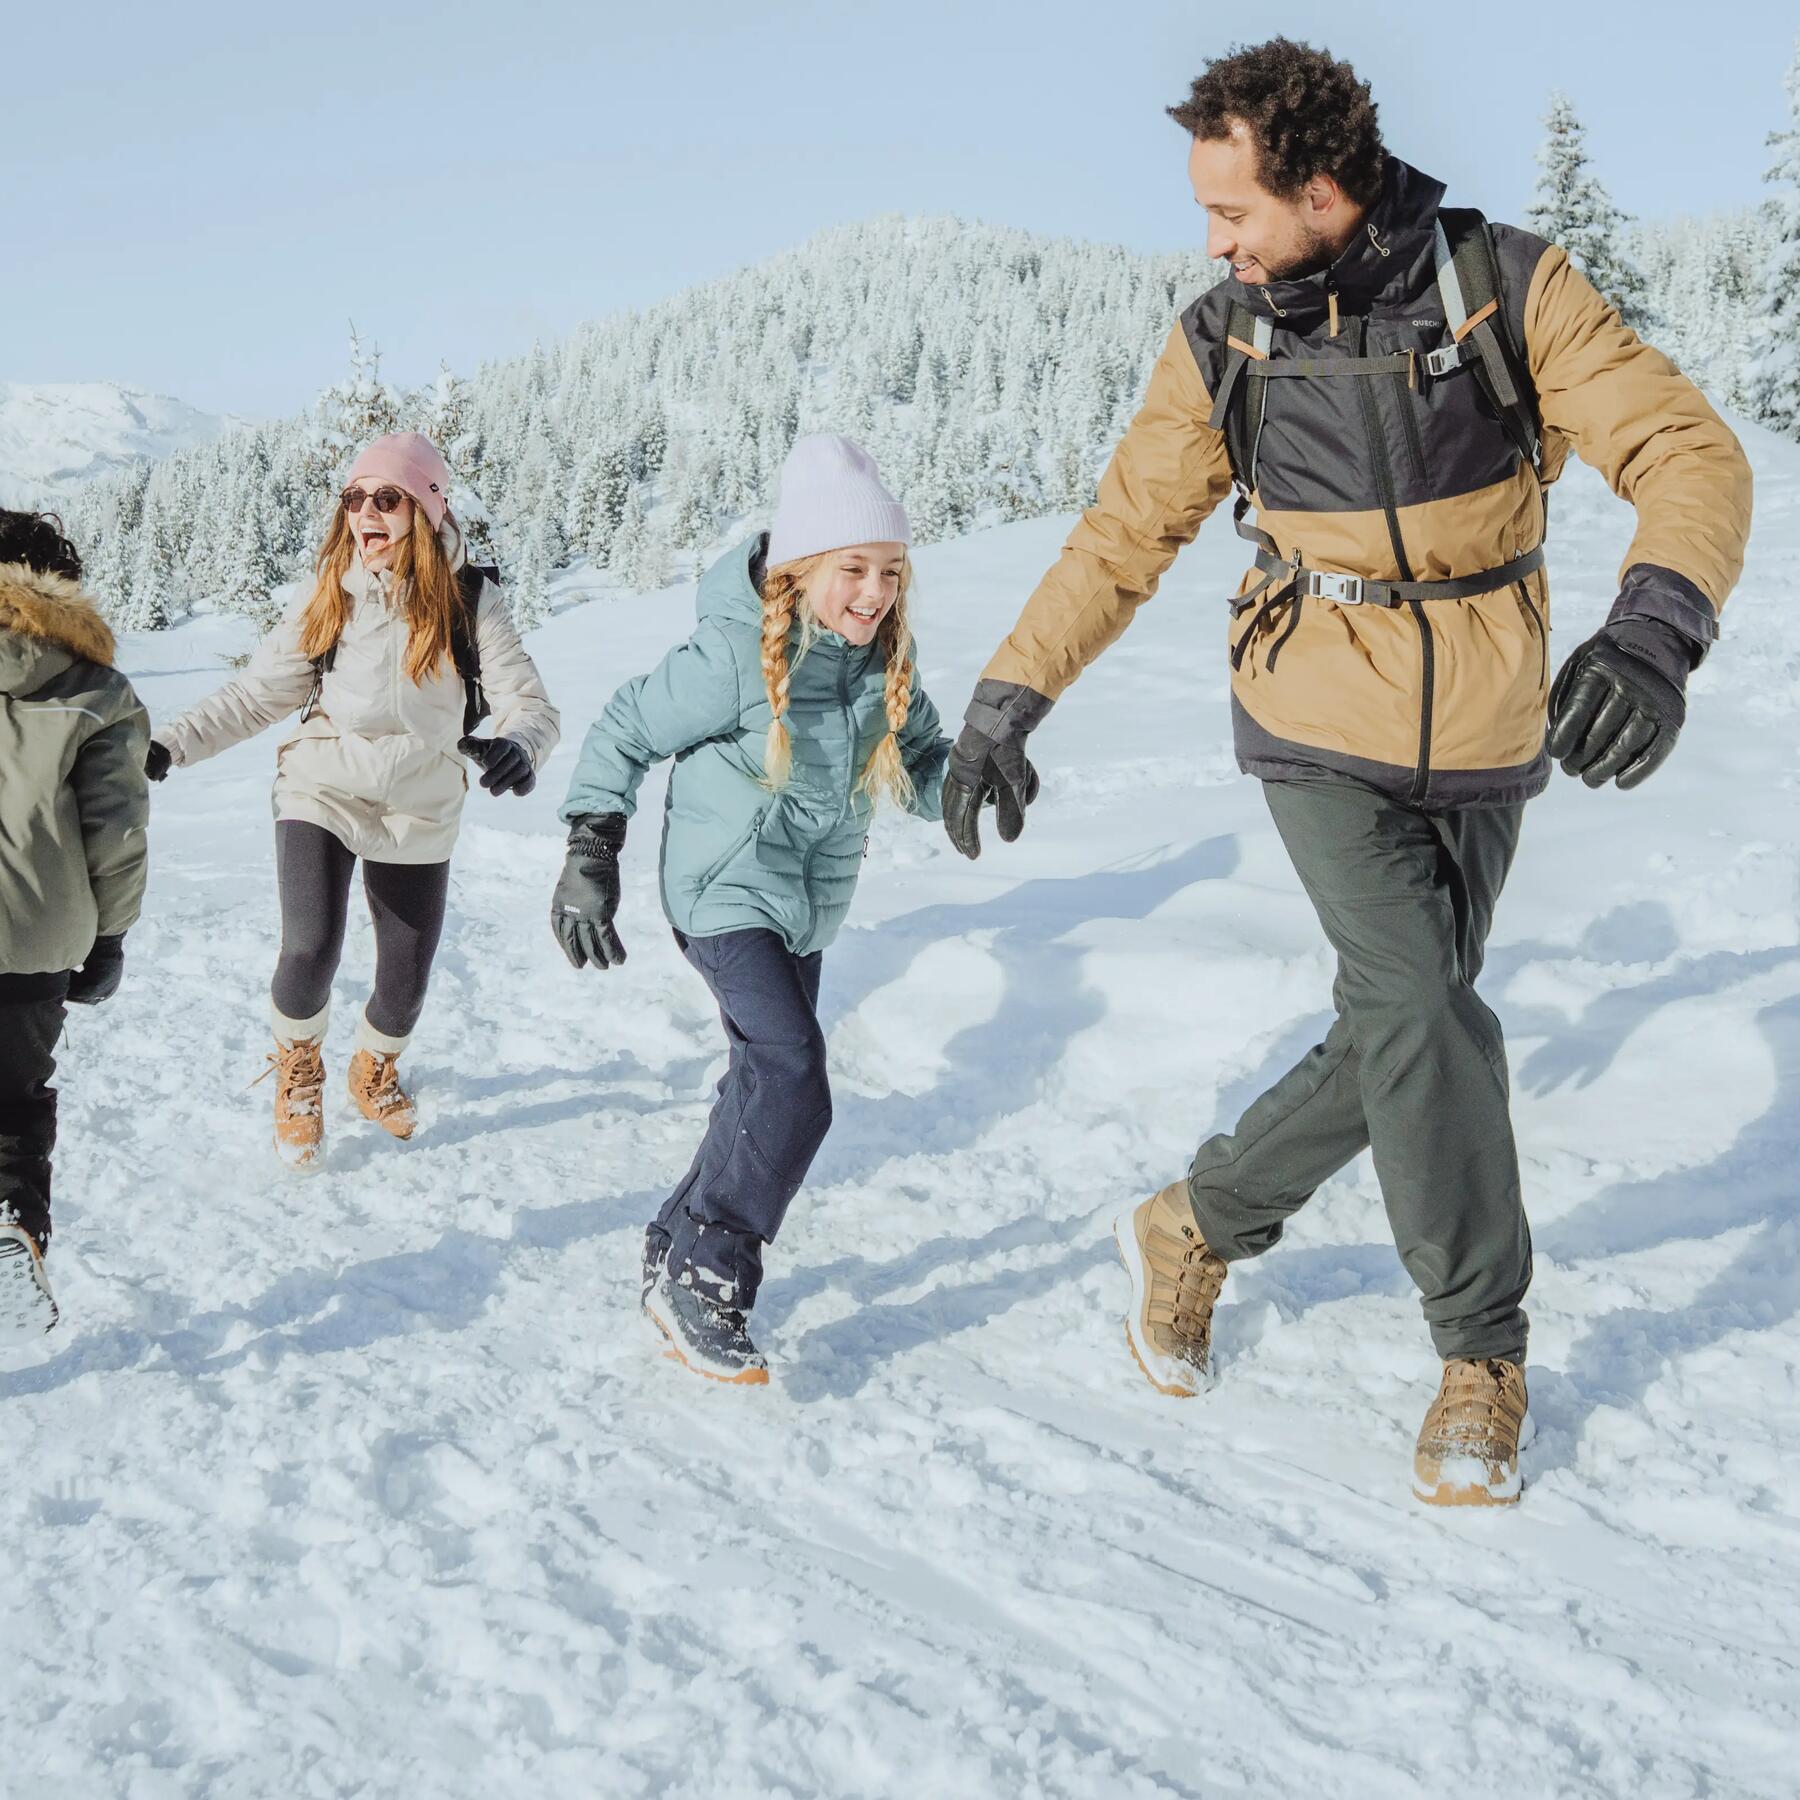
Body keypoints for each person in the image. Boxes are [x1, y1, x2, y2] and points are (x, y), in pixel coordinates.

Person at [943, 39, 1752, 1504]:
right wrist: (1009, 697)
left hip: (1493, 728)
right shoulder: (1226, 340)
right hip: (1315, 713)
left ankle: (1197, 1219)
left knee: (1403, 1024)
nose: (1213, 241)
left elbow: (1688, 451)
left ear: (1323, 191)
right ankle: (1482, 1348)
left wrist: (1655, 632)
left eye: (1233, 211)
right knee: (1423, 1002)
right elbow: (1123, 538)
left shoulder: (1500, 285)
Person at [554, 434, 950, 1384]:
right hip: (722, 891)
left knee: (758, 1076)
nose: (874, 593)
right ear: (800, 567)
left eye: (890, 572)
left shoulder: (879, 655)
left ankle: (672, 1240)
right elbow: (626, 727)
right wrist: (590, 848)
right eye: (852, 570)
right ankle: (708, 1270)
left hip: (805, 903)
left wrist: (975, 789)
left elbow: (926, 762)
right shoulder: (735, 654)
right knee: (792, 1073)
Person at [147, 432, 559, 1169]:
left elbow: (526, 700)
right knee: (311, 947)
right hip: (323, 786)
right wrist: (169, 744)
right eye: (355, 497)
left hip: (418, 804)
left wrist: (519, 746)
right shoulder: (328, 597)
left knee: (404, 984)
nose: (366, 511)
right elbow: (253, 695)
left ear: (427, 513)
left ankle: (372, 1068)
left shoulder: (469, 602)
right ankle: (299, 1076)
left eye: (388, 497)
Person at [0, 510, 150, 1336]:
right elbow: (116, 832)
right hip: (32, 941)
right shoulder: (97, 690)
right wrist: (110, 936)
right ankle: (11, 1223)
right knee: (12, 1108)